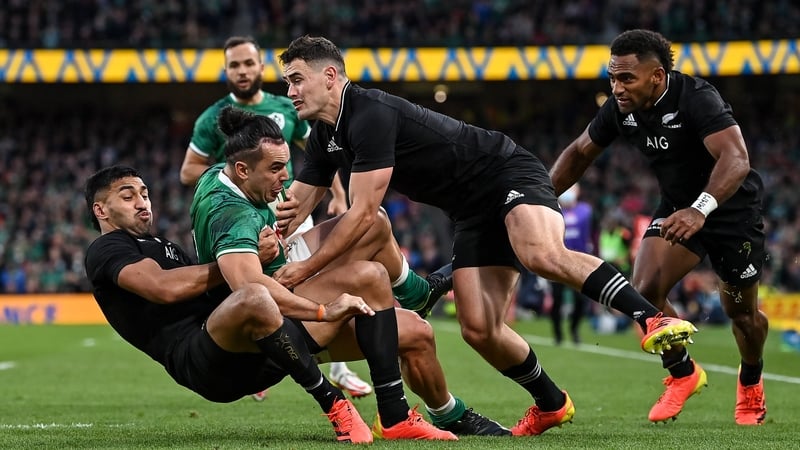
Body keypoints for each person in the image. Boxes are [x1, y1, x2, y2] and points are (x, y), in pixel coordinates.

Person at [275, 35, 699, 436]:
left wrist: (303, 269)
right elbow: (294, 207)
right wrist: (261, 242)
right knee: (478, 328)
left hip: (505, 173)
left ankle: (651, 317)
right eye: (287, 82)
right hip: (470, 212)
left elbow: (365, 215)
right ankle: (551, 403)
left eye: (296, 79)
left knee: (540, 254)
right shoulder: (326, 135)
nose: (290, 91)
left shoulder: (369, 113)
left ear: (329, 76)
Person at [189, 106, 509, 438]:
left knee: (416, 327)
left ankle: (447, 409)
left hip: (280, 276)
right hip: (269, 327)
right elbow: (249, 291)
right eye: (275, 168)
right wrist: (324, 311)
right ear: (243, 170)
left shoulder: (226, 174)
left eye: (285, 165)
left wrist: (282, 232)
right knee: (369, 276)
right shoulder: (231, 213)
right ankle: (394, 415)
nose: (285, 176)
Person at [549, 29, 768, 425]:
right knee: (644, 290)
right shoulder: (621, 108)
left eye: (626, 78)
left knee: (742, 315)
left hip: (731, 211)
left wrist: (700, 210)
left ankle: (751, 380)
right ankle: (683, 372)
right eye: (612, 78)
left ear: (657, 76)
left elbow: (736, 159)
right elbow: (580, 152)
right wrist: (537, 202)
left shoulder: (697, 97)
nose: (617, 88)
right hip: (678, 207)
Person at [83, 165, 374, 444]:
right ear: (101, 210)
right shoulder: (107, 248)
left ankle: (393, 408)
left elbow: (211, 290)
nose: (142, 202)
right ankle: (333, 401)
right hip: (201, 361)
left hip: (239, 348)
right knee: (253, 295)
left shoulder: (161, 244)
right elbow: (164, 288)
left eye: (144, 194)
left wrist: (265, 255)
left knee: (373, 284)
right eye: (128, 196)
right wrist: (244, 257)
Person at [179, 35, 371, 399]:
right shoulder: (212, 119)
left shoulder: (287, 107)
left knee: (338, 261)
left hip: (287, 211)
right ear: (226, 71)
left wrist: (338, 194)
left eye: (248, 63)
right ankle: (272, 347)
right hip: (247, 217)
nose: (242, 71)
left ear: (261, 67)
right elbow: (188, 171)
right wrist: (235, 171)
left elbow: (320, 152)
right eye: (234, 65)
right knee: (269, 285)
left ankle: (338, 367)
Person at [549, 184, 593, 345]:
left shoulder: (586, 211)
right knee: (557, 299)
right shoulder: (552, 209)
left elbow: (594, 233)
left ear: (578, 192)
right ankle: (558, 334)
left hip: (578, 263)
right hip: (556, 262)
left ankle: (574, 329)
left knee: (581, 301)